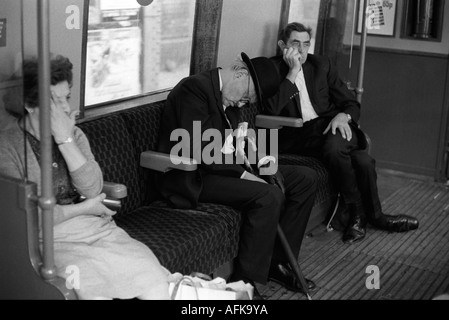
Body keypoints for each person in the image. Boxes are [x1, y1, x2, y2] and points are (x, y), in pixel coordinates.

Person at [0, 55, 170, 300]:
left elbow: (93, 188)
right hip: (51, 241)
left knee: (152, 278)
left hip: (98, 231)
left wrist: (64, 140)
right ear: (30, 103)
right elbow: (31, 219)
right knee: (93, 290)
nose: (66, 108)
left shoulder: (75, 135)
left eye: (67, 97)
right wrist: (86, 208)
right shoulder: (7, 147)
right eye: (55, 101)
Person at [157, 52, 318, 299]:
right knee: (268, 195)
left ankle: (279, 263)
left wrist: (263, 162)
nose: (242, 105)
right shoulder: (194, 89)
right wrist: (247, 176)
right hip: (194, 176)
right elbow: (202, 151)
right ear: (240, 73)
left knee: (304, 178)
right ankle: (244, 282)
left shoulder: (229, 99)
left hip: (224, 168)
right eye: (245, 97)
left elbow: (232, 147)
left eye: (247, 102)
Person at [264, 22, 419, 244]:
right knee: (359, 157)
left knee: (360, 159)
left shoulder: (321, 65)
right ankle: (370, 216)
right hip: (298, 137)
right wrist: (293, 72)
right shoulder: (272, 70)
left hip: (331, 130)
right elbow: (271, 109)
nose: (301, 50)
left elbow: (351, 103)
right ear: (282, 45)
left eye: (306, 44)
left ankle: (363, 215)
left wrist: (342, 116)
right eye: (295, 43)